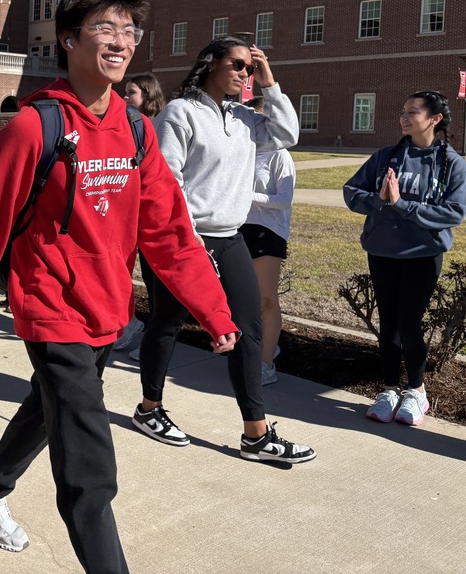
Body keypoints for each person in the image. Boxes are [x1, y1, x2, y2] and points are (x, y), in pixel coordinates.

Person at [0, 0, 240, 573]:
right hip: (49, 308)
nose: (121, 42)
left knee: (47, 408)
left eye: (129, 32)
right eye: (106, 28)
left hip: (108, 309)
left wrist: (213, 309)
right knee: (89, 467)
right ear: (69, 38)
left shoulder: (134, 130)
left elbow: (169, 232)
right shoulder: (33, 128)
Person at [134, 36, 315, 464]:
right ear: (209, 62)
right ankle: (150, 408)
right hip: (185, 239)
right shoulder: (181, 112)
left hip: (231, 237)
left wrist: (270, 83)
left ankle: (255, 432)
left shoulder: (246, 119)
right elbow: (167, 179)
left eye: (248, 69)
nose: (242, 73)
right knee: (167, 323)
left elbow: (287, 134)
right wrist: (186, 238)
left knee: (248, 329)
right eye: (236, 64)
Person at [344, 91, 466, 426]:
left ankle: (416, 391)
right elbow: (352, 191)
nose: (404, 117)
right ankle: (388, 390)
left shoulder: (452, 164)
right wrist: (379, 201)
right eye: (403, 111)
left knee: (409, 324)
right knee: (389, 325)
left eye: (413, 112)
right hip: (382, 252)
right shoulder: (387, 156)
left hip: (422, 256)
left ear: (435, 119)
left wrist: (401, 204)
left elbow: (454, 212)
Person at [238, 96, 296, 385]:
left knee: (265, 300)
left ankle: (266, 363)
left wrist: (248, 197)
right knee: (242, 300)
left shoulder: (280, 155)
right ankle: (254, 351)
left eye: (253, 118)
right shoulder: (242, 151)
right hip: (237, 229)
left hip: (268, 232)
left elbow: (284, 200)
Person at [114, 72, 166, 354]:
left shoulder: (158, 127)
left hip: (152, 215)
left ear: (148, 95)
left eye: (131, 92)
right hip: (132, 214)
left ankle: (148, 340)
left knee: (157, 281)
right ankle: (130, 324)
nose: (125, 97)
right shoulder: (131, 125)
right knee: (135, 274)